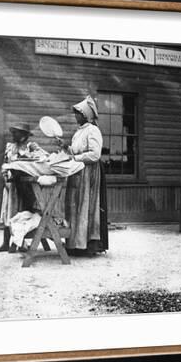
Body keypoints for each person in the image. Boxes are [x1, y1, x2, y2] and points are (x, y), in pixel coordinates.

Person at [62, 96, 109, 255]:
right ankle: (74, 243)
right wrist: (66, 149)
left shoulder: (93, 130)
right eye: (75, 114)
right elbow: (75, 152)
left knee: (86, 206)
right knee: (74, 206)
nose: (76, 116)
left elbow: (95, 155)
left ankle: (88, 244)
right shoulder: (78, 132)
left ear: (86, 115)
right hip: (77, 173)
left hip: (89, 174)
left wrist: (76, 158)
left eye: (78, 113)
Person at [0, 123, 44, 252]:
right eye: (13, 132)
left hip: (25, 186)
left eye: (17, 132)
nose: (14, 135)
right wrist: (5, 178)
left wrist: (30, 156)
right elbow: (5, 164)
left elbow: (43, 157)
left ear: (24, 135)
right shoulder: (10, 147)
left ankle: (19, 243)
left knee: (21, 213)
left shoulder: (31, 146)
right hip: (11, 184)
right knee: (8, 211)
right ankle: (5, 243)